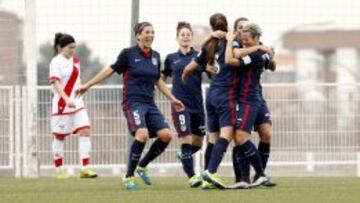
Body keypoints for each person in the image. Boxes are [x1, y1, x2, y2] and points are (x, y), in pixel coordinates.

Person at [77, 22, 184, 191]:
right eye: (147, 32)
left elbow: (158, 81)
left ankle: (142, 166)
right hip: (132, 103)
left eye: (153, 32)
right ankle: (128, 177)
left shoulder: (156, 56)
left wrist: (172, 98)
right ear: (138, 36)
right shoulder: (128, 54)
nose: (151, 35)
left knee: (166, 135)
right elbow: (109, 70)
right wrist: (87, 85)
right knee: (142, 134)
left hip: (150, 104)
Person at [182, 13, 238, 189]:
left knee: (213, 139)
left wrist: (184, 78)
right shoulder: (233, 44)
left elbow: (189, 68)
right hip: (225, 95)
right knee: (226, 135)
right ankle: (211, 171)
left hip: (212, 95)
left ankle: (206, 179)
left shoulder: (208, 46)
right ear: (227, 25)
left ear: (211, 28)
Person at [225, 22, 275, 188]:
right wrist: (259, 49)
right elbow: (235, 56)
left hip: (252, 99)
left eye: (247, 39)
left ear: (257, 37)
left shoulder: (258, 54)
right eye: (242, 38)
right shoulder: (253, 51)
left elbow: (271, 65)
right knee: (240, 138)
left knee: (261, 135)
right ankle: (246, 177)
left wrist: (271, 55)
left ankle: (259, 175)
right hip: (246, 98)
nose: (244, 41)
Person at [161, 22, 206, 188]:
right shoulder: (171, 58)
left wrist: (214, 68)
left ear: (192, 37)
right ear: (177, 38)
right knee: (185, 139)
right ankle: (192, 176)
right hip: (180, 105)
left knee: (198, 142)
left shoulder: (200, 56)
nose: (186, 36)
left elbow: (210, 70)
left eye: (188, 34)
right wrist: (168, 94)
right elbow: (161, 78)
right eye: (182, 34)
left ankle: (184, 155)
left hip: (198, 105)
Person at [49, 33, 98, 179]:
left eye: (74, 48)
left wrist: (82, 87)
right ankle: (59, 170)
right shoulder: (55, 62)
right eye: (70, 48)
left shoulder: (76, 60)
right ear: (61, 47)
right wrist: (65, 98)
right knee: (59, 137)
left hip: (77, 102)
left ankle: (85, 168)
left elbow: (76, 79)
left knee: (85, 130)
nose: (72, 51)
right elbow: (56, 83)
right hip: (62, 104)